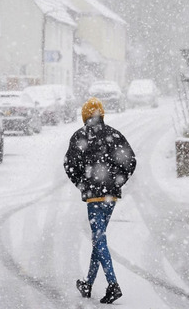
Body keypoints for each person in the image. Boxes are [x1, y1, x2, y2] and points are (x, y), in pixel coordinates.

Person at [64, 97, 136, 304]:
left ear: (85, 116)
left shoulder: (80, 136)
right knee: (99, 238)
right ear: (101, 115)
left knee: (98, 239)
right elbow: (130, 160)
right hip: (110, 196)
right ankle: (87, 283)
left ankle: (113, 284)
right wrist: (117, 181)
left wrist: (81, 183)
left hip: (94, 197)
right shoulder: (114, 135)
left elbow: (69, 165)